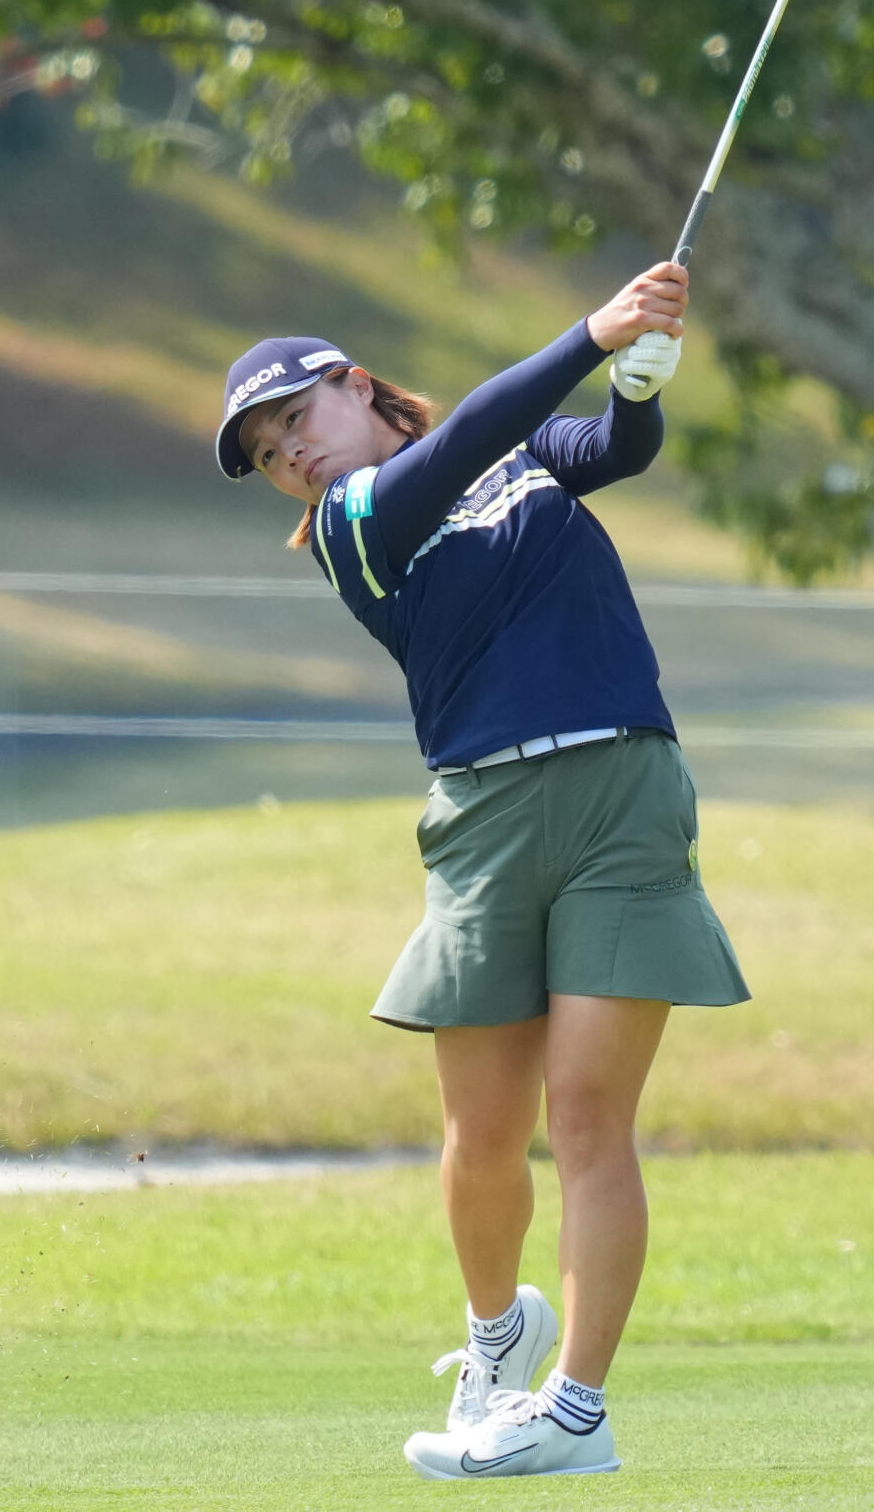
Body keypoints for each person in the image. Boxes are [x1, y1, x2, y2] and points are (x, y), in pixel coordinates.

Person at [215, 262, 752, 1481]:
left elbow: (609, 448)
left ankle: (575, 1413)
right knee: (484, 1129)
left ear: (352, 386)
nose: (287, 455)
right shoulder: (353, 529)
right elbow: (467, 433)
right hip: (486, 815)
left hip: (623, 788)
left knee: (588, 1121)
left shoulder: (511, 459)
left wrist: (639, 382)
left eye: (294, 419)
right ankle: (497, 1334)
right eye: (263, 453)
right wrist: (590, 332)